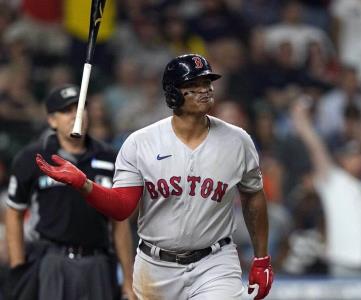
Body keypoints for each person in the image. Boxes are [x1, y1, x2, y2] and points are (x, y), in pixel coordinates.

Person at [35, 54, 274, 299]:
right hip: (156, 267)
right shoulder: (141, 143)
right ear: (172, 94)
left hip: (215, 261)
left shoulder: (238, 140)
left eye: (207, 83)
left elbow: (253, 196)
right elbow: (122, 208)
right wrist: (84, 185)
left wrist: (261, 258)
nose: (204, 90)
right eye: (193, 85)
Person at [5, 84, 135, 300]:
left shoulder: (110, 157)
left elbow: (119, 222)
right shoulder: (34, 157)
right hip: (53, 261)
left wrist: (128, 281)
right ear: (52, 120)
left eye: (81, 108)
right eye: (67, 110)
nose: (76, 115)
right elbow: (14, 211)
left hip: (98, 261)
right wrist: (19, 266)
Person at [291, 97, 361, 277]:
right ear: (342, 159)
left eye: (360, 155)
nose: (356, 159)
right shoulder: (333, 181)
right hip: (344, 264)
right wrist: (301, 119)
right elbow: (315, 147)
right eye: (351, 156)